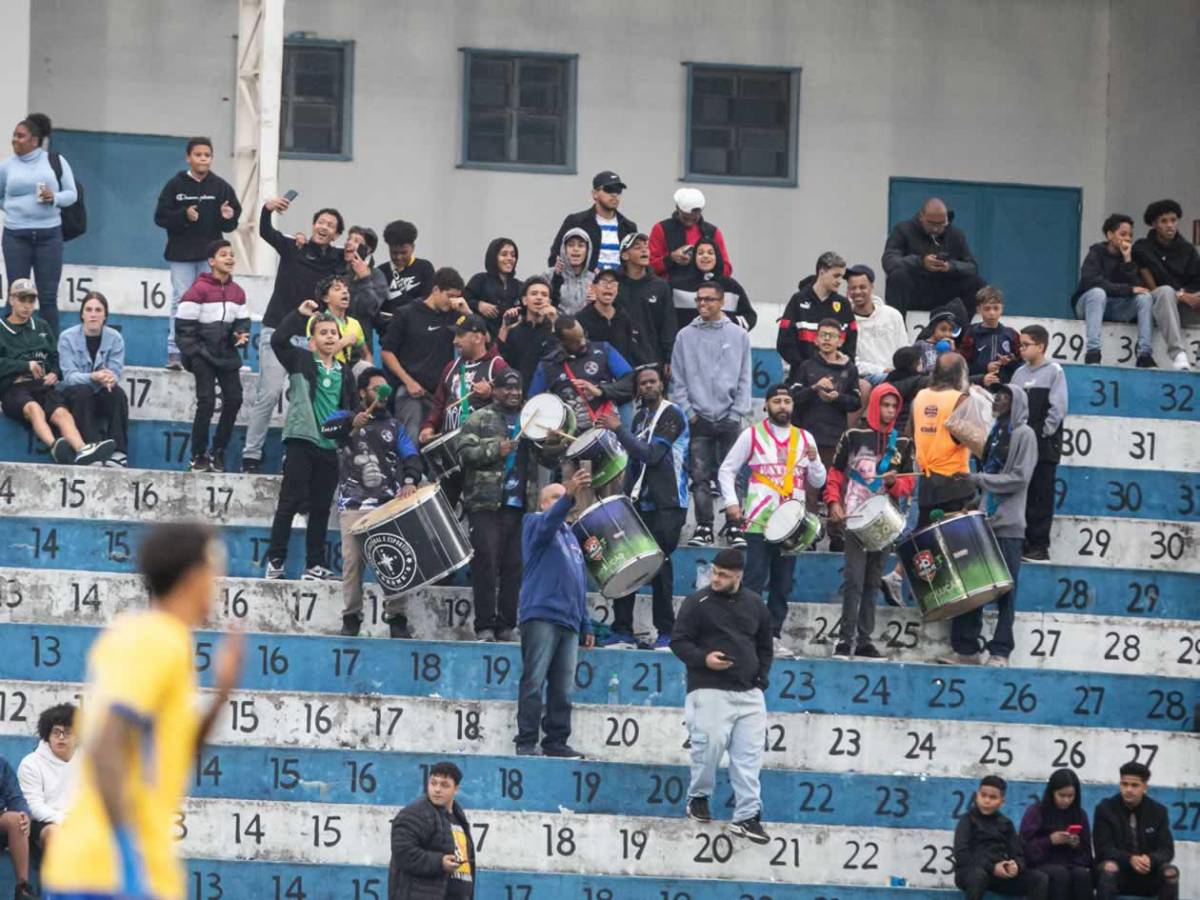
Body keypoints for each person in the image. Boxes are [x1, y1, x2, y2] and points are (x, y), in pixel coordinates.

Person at [41, 523, 244, 900]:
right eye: (215, 571)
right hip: (106, 874)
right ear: (194, 575)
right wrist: (128, 862)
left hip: (119, 869)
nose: (218, 583)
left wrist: (223, 692)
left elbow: (179, 752)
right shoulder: (156, 638)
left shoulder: (165, 640)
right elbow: (105, 748)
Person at [670, 548, 773, 845]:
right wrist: (704, 659)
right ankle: (698, 796)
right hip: (708, 687)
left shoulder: (756, 604)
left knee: (749, 756)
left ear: (738, 576)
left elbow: (765, 646)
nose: (716, 578)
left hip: (749, 691)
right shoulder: (697, 602)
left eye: (723, 575)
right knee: (710, 745)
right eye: (714, 572)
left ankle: (748, 816)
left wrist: (760, 679)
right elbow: (679, 641)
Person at [720, 385, 825, 659]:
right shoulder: (752, 434)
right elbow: (727, 469)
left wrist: (814, 462)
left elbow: (819, 481)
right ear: (766, 405)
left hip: (793, 525)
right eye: (777, 401)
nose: (782, 406)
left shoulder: (805, 437)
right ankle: (747, 635)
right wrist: (731, 502)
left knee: (783, 583)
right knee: (754, 580)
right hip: (759, 521)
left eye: (787, 401)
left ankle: (773, 636)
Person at [241, 197, 345, 473]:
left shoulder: (336, 261)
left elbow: (363, 252)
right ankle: (251, 456)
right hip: (277, 331)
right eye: (320, 222)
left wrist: (357, 249)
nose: (324, 227)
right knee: (270, 392)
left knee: (303, 398)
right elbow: (265, 232)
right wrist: (267, 209)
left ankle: (294, 457)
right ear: (312, 225)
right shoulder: (293, 246)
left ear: (336, 234)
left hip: (310, 338)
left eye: (331, 225)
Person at [937, 384, 1036, 666]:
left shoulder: (1024, 434)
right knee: (972, 587)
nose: (999, 400)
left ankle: (1000, 651)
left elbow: (1019, 479)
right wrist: (976, 499)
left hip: (1008, 525)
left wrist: (976, 480)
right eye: (998, 396)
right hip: (983, 521)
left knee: (1006, 590)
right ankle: (966, 649)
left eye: (1005, 397)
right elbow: (992, 474)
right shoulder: (995, 434)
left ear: (1016, 403)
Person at [322, 368, 422, 638]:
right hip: (353, 505)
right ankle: (352, 616)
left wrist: (411, 480)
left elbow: (411, 455)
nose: (382, 394)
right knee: (352, 563)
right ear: (363, 392)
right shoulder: (344, 417)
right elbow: (326, 429)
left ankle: (396, 617)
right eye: (376, 389)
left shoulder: (395, 427)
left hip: (387, 506)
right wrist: (352, 423)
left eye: (385, 389)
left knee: (394, 562)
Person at [596, 366, 689, 650]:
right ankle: (622, 630)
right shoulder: (639, 417)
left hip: (668, 503)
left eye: (652, 382)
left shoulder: (672, 414)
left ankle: (666, 632)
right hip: (638, 502)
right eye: (643, 383)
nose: (648, 386)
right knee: (628, 563)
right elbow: (633, 462)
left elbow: (651, 455)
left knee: (660, 567)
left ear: (662, 384)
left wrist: (618, 429)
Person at [263, 302, 357, 581]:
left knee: (320, 507)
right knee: (289, 502)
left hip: (329, 447)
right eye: (323, 333)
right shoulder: (301, 361)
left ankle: (313, 565)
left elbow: (348, 409)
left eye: (333, 332)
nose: (329, 336)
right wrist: (298, 314)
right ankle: (276, 560)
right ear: (312, 340)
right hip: (302, 441)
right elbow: (278, 340)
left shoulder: (346, 373)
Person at [824, 383, 914, 659]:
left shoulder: (903, 443)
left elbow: (908, 484)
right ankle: (844, 639)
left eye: (893, 406)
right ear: (875, 405)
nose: (889, 411)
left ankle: (864, 640)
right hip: (855, 516)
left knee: (873, 580)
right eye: (884, 405)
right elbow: (836, 473)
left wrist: (893, 484)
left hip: (885, 519)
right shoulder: (853, 436)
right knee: (853, 578)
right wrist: (834, 503)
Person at [514, 470, 594, 758]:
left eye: (565, 497)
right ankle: (526, 741)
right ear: (543, 503)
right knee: (534, 681)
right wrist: (571, 493)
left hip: (570, 620)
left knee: (563, 687)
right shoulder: (533, 522)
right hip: (541, 615)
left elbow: (579, 582)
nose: (564, 502)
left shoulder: (572, 538)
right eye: (557, 498)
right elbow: (549, 524)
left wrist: (586, 623)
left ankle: (555, 741)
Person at [459, 368, 540, 643]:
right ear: (495, 390)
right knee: (486, 564)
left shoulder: (531, 420)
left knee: (514, 567)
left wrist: (552, 442)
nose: (513, 393)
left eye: (517, 389)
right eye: (507, 388)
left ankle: (507, 625)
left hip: (519, 505)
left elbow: (549, 459)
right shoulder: (479, 418)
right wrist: (496, 449)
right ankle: (484, 625)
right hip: (485, 504)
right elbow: (465, 454)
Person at [670, 282, 752, 547]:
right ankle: (704, 525)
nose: (703, 304)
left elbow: (744, 377)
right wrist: (689, 412)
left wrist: (737, 411)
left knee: (734, 474)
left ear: (721, 302)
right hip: (698, 417)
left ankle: (734, 524)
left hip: (730, 416)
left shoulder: (739, 336)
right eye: (699, 300)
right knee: (700, 475)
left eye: (709, 300)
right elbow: (678, 379)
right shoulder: (684, 336)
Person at [0, 279, 114, 465]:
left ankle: (82, 449)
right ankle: (56, 447)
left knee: (61, 412)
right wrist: (24, 366)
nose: (27, 306)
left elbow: (56, 357)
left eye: (31, 301)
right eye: (22, 300)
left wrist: (55, 372)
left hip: (43, 386)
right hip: (14, 388)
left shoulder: (42, 327)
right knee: (34, 408)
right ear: (12, 300)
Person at [153, 136, 240, 369]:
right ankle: (175, 351)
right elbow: (160, 217)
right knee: (182, 300)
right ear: (188, 157)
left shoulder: (221, 187)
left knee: (210, 302)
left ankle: (208, 351)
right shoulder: (175, 185)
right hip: (181, 255)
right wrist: (184, 215)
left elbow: (232, 223)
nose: (203, 159)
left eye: (207, 155)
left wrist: (227, 217)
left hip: (210, 257)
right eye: (198, 155)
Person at [527, 314, 635, 488]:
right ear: (561, 341)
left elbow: (630, 382)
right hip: (572, 445)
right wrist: (553, 426)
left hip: (607, 437)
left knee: (613, 493)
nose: (583, 343)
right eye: (575, 341)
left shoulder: (603, 350)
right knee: (578, 499)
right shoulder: (548, 366)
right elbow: (533, 404)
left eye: (583, 336)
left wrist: (601, 391)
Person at [1075, 212, 1187, 369]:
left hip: (1115, 307)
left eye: (1130, 235)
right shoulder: (1096, 252)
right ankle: (1093, 352)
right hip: (1089, 305)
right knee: (1098, 293)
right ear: (1109, 235)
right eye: (1123, 234)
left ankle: (1144, 355)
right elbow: (1091, 281)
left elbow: (1137, 288)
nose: (1127, 238)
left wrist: (1127, 260)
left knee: (1145, 297)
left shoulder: (1130, 257)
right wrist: (1127, 289)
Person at [176, 239, 250, 472]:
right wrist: (195, 352)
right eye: (223, 255)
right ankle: (198, 455)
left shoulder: (238, 292)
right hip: (202, 354)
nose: (229, 258)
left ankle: (218, 450)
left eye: (231, 255)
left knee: (235, 399)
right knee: (206, 402)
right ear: (211, 261)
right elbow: (184, 328)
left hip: (226, 354)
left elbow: (242, 322)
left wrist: (239, 335)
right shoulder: (197, 290)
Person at [419, 313, 508, 507]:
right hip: (452, 451)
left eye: (460, 336)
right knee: (447, 507)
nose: (454, 341)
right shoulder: (451, 366)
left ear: (477, 337)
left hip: (480, 451)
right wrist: (429, 426)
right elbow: (439, 403)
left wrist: (491, 393)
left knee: (478, 510)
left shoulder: (496, 364)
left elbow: (512, 401)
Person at [789, 318, 861, 551]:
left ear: (841, 340)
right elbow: (794, 399)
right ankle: (808, 534)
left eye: (832, 335)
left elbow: (856, 402)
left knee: (836, 488)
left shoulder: (849, 369)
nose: (827, 339)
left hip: (836, 439)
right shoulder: (806, 367)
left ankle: (837, 534)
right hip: (808, 438)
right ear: (816, 339)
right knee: (808, 489)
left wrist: (836, 398)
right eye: (823, 335)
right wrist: (815, 388)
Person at [1, 115, 77, 337]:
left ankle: (49, 349)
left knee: (47, 297)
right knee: (15, 294)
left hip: (49, 236)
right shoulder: (6, 167)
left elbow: (71, 194)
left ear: (34, 141)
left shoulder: (55, 161)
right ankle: (7, 346)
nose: (15, 140)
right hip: (16, 236)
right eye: (14, 135)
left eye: (20, 136)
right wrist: (14, 207)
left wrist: (54, 198)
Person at [381, 268, 471, 444]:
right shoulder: (406, 313)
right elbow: (386, 352)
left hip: (440, 396)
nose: (452, 301)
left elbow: (482, 339)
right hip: (410, 392)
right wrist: (408, 381)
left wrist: (467, 312)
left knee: (441, 446)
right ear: (436, 290)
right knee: (410, 441)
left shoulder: (454, 315)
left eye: (457, 297)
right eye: (450, 295)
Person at [1011, 326, 1067, 562]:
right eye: (1020, 345)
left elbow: (1058, 407)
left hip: (1043, 446)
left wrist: (1044, 432)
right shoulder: (1018, 374)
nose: (1021, 349)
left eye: (1026, 345)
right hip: (1021, 447)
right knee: (1021, 494)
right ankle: (1020, 544)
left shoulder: (1054, 371)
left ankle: (1039, 546)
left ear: (1041, 346)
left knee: (1041, 495)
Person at [57, 290, 129, 467]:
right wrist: (94, 376)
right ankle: (90, 449)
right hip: (74, 395)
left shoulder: (115, 338)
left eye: (98, 310)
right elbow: (69, 377)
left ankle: (118, 453)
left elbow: (115, 372)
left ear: (105, 315)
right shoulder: (67, 337)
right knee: (83, 391)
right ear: (82, 314)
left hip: (101, 393)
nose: (93, 314)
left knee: (118, 393)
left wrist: (109, 378)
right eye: (89, 309)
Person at [882, 197, 987, 316]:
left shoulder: (956, 234)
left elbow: (972, 267)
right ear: (921, 217)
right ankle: (897, 325)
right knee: (897, 277)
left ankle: (961, 329)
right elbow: (889, 261)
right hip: (915, 290)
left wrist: (950, 266)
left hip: (944, 289)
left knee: (976, 282)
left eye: (941, 224)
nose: (936, 229)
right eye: (931, 224)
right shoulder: (903, 230)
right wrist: (921, 262)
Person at [387, 761, 476, 900]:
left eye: (444, 785)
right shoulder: (415, 813)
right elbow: (403, 853)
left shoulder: (458, 816)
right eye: (433, 783)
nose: (437, 789)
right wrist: (440, 863)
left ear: (456, 789)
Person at [953, 775, 1049, 900]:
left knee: (1039, 878)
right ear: (977, 796)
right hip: (969, 872)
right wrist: (991, 868)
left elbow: (1017, 854)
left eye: (993, 797)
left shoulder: (1006, 823)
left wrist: (1016, 866)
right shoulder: (967, 820)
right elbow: (962, 854)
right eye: (983, 795)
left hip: (997, 875)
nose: (986, 801)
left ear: (1002, 802)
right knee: (978, 876)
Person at [1093, 762, 1179, 900]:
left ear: (1144, 787)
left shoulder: (1158, 811)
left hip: (1148, 873)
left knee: (1170, 872)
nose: (1128, 789)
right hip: (1118, 873)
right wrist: (1129, 859)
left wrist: (1151, 859)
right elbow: (1103, 849)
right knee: (1109, 868)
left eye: (1134, 785)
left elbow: (1167, 849)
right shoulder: (1105, 809)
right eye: (1124, 784)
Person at [911, 353, 973, 528]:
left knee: (928, 546)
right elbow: (972, 439)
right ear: (961, 374)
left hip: (927, 483)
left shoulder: (920, 396)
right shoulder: (960, 399)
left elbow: (912, 431)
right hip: (955, 483)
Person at [777, 252, 857, 377]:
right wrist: (805, 368)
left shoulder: (844, 305)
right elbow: (784, 343)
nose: (840, 281)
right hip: (802, 377)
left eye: (841, 277)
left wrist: (839, 369)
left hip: (836, 377)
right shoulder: (798, 300)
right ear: (821, 273)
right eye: (836, 276)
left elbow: (850, 345)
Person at [1018, 769, 1094, 900]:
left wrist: (1076, 845)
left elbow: (1087, 855)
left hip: (1070, 863)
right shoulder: (1037, 812)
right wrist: (1050, 841)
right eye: (1061, 795)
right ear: (1052, 792)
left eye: (1070, 796)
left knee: (1082, 876)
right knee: (1060, 875)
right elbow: (1024, 848)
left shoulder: (1079, 814)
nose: (1066, 800)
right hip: (1042, 863)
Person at [547, 171, 637, 272]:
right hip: (584, 285)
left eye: (618, 190)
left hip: (619, 286)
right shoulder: (576, 221)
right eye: (609, 189)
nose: (614, 194)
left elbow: (634, 263)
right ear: (595, 194)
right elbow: (555, 257)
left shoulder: (629, 227)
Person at [1134, 198, 1200, 337]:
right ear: (1154, 224)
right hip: (1157, 304)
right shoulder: (1142, 248)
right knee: (1166, 293)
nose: (1170, 225)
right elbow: (1157, 282)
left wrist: (1188, 294)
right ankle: (1178, 353)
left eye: (1173, 220)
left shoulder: (1188, 250)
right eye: (1164, 221)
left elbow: (1196, 280)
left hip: (1188, 302)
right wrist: (1180, 295)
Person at [17, 703, 77, 856]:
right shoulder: (31, 763)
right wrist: (63, 820)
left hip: (80, 821)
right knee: (56, 835)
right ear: (47, 735)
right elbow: (34, 806)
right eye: (56, 732)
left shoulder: (89, 762)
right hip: (44, 824)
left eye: (67, 732)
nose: (61, 737)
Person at [668, 238, 756, 333]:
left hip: (722, 344)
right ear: (694, 258)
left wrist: (728, 321)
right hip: (688, 345)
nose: (705, 256)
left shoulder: (731, 286)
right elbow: (665, 318)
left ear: (717, 257)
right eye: (700, 253)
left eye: (710, 253)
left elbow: (750, 317)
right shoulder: (677, 286)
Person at [615, 233, 677, 367]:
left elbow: (668, 324)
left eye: (646, 247)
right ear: (625, 255)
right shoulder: (614, 284)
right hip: (620, 359)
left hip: (652, 358)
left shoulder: (661, 286)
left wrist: (669, 358)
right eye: (637, 247)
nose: (644, 250)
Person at [648, 187, 733, 279]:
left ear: (700, 212)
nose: (689, 222)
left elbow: (727, 269)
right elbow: (649, 267)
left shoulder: (712, 232)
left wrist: (708, 262)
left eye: (694, 218)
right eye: (685, 218)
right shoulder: (661, 229)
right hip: (670, 289)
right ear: (677, 208)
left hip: (704, 288)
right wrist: (671, 258)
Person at [846, 263, 907, 390]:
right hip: (866, 379)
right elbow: (851, 361)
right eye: (853, 288)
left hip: (897, 376)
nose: (857, 292)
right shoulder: (845, 321)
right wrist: (882, 370)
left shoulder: (892, 315)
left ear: (872, 287)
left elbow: (904, 349)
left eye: (862, 287)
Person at [577, 268, 651, 367]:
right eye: (603, 283)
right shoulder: (581, 318)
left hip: (623, 374)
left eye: (613, 284)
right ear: (593, 288)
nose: (608, 287)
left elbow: (635, 350)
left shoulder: (625, 318)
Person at [376, 219, 435, 339]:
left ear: (412, 247)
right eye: (394, 253)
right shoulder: (381, 271)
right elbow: (376, 308)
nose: (398, 257)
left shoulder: (425, 267)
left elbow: (428, 301)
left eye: (403, 252)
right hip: (390, 336)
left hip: (418, 334)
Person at [498, 277, 557, 384]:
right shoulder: (514, 330)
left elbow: (556, 358)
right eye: (534, 294)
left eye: (544, 295)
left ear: (549, 301)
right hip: (516, 390)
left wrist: (553, 322)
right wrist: (504, 328)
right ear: (524, 300)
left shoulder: (555, 329)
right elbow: (500, 361)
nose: (539, 298)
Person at [305, 273, 369, 367]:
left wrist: (368, 371)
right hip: (323, 375)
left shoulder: (354, 323)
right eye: (337, 289)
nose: (345, 292)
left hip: (344, 375)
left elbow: (366, 354)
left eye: (346, 288)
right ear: (325, 298)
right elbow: (315, 356)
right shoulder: (317, 320)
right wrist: (343, 342)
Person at [961, 286, 1021, 386]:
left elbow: (1021, 364)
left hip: (1005, 387)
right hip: (978, 387)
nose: (992, 313)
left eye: (996, 308)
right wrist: (985, 368)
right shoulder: (971, 333)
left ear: (1002, 309)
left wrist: (1010, 362)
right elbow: (963, 365)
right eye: (987, 309)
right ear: (979, 309)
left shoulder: (1011, 334)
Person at [343, 226, 388, 354]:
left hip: (360, 348)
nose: (349, 243)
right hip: (335, 345)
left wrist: (364, 279)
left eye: (356, 241)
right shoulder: (339, 271)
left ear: (367, 250)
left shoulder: (376, 276)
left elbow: (370, 309)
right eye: (349, 239)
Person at [465, 237, 522, 336]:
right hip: (484, 338)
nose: (509, 258)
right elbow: (463, 300)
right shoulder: (480, 280)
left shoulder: (519, 285)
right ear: (493, 257)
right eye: (504, 254)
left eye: (513, 255)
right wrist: (478, 305)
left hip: (511, 340)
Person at [0, 752, 34, 899]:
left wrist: (25, 815)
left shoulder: (2, 764)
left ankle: (23, 888)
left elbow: (16, 797)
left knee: (18, 819)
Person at [545, 227, 595, 316]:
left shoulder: (594, 279)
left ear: (588, 251)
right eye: (571, 245)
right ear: (564, 249)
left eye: (581, 245)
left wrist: (598, 302)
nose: (575, 249)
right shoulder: (548, 276)